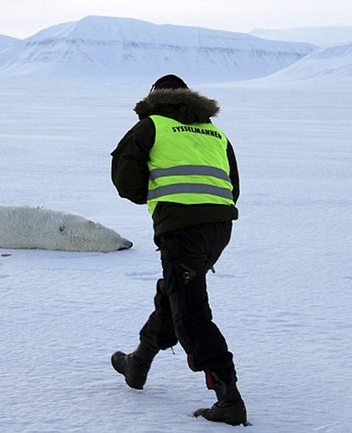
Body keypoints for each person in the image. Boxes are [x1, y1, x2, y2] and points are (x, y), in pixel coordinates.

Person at [110, 74, 247, 426]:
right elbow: (232, 184)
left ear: (155, 98)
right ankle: (138, 362)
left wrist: (157, 196)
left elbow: (126, 182)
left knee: (191, 313)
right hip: (219, 229)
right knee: (177, 293)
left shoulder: (151, 125)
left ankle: (228, 397)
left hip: (181, 228)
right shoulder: (215, 133)